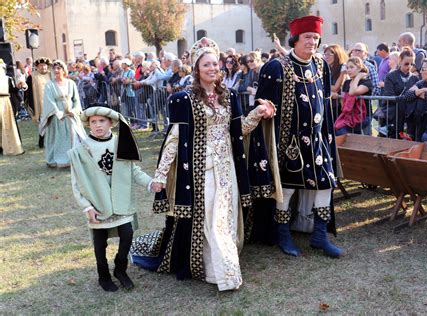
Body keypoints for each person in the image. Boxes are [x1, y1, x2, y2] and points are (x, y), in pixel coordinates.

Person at [129, 37, 274, 291]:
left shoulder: (228, 96)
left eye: (215, 64)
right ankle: (221, 272)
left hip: (227, 165)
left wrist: (256, 114)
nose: (212, 69)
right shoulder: (183, 100)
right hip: (201, 169)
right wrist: (160, 174)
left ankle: (219, 262)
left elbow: (237, 130)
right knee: (211, 217)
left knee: (226, 216)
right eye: (206, 65)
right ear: (196, 69)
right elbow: (173, 139)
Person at [247, 16, 342, 258]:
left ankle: (320, 236)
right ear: (295, 39)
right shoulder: (277, 67)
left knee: (325, 185)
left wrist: (329, 139)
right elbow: (262, 106)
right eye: (308, 37)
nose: (313, 41)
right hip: (287, 143)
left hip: (318, 141)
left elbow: (326, 105)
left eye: (316, 37)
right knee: (286, 188)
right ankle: (283, 234)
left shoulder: (321, 66)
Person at [68, 106, 161, 292]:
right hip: (98, 203)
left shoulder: (121, 143)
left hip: (121, 201)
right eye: (93, 122)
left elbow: (133, 170)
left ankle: (120, 269)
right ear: (89, 125)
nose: (97, 125)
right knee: (100, 242)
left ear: (111, 122)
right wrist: (87, 207)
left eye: (102, 121)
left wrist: (150, 183)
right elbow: (76, 182)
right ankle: (103, 276)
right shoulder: (82, 149)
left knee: (127, 234)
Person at [39, 60, 85, 168]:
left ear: (64, 70)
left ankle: (74, 159)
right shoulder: (50, 85)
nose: (56, 70)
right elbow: (49, 101)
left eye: (58, 68)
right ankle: (59, 160)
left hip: (71, 115)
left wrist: (73, 110)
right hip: (58, 117)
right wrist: (59, 114)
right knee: (59, 138)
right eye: (54, 68)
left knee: (74, 135)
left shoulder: (71, 83)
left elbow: (76, 100)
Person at [379, 48, 419, 138]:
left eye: (411, 64)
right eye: (406, 63)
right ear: (400, 61)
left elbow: (416, 96)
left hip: (409, 117)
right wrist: (407, 98)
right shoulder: (391, 76)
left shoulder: (415, 79)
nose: (409, 66)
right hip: (392, 117)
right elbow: (390, 96)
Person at [334, 57, 373, 136]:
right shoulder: (347, 82)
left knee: (342, 132)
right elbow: (343, 100)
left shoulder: (367, 82)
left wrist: (358, 77)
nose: (348, 70)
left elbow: (352, 92)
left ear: (359, 68)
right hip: (348, 116)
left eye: (351, 67)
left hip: (363, 117)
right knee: (338, 130)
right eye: (347, 67)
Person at [25, 57, 53, 148]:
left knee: (53, 123)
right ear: (37, 67)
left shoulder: (51, 75)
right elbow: (27, 91)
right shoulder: (32, 77)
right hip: (40, 105)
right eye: (41, 65)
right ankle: (42, 141)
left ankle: (52, 141)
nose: (43, 67)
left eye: (44, 65)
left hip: (52, 104)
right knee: (43, 123)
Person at [0, 59, 24, 155]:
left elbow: (13, 90)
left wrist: (19, 86)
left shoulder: (8, 79)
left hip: (5, 102)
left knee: (7, 124)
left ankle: (8, 146)